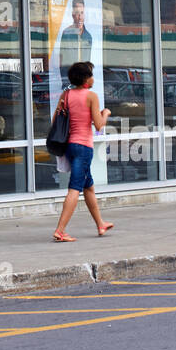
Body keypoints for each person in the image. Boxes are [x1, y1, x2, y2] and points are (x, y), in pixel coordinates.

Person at [52, 61, 113, 242]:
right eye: (92, 75)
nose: (94, 78)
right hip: (83, 148)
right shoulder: (91, 96)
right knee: (75, 188)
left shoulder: (66, 94)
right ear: (86, 79)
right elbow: (99, 126)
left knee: (88, 186)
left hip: (70, 146)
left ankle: (100, 224)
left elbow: (56, 118)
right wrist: (106, 113)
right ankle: (60, 230)